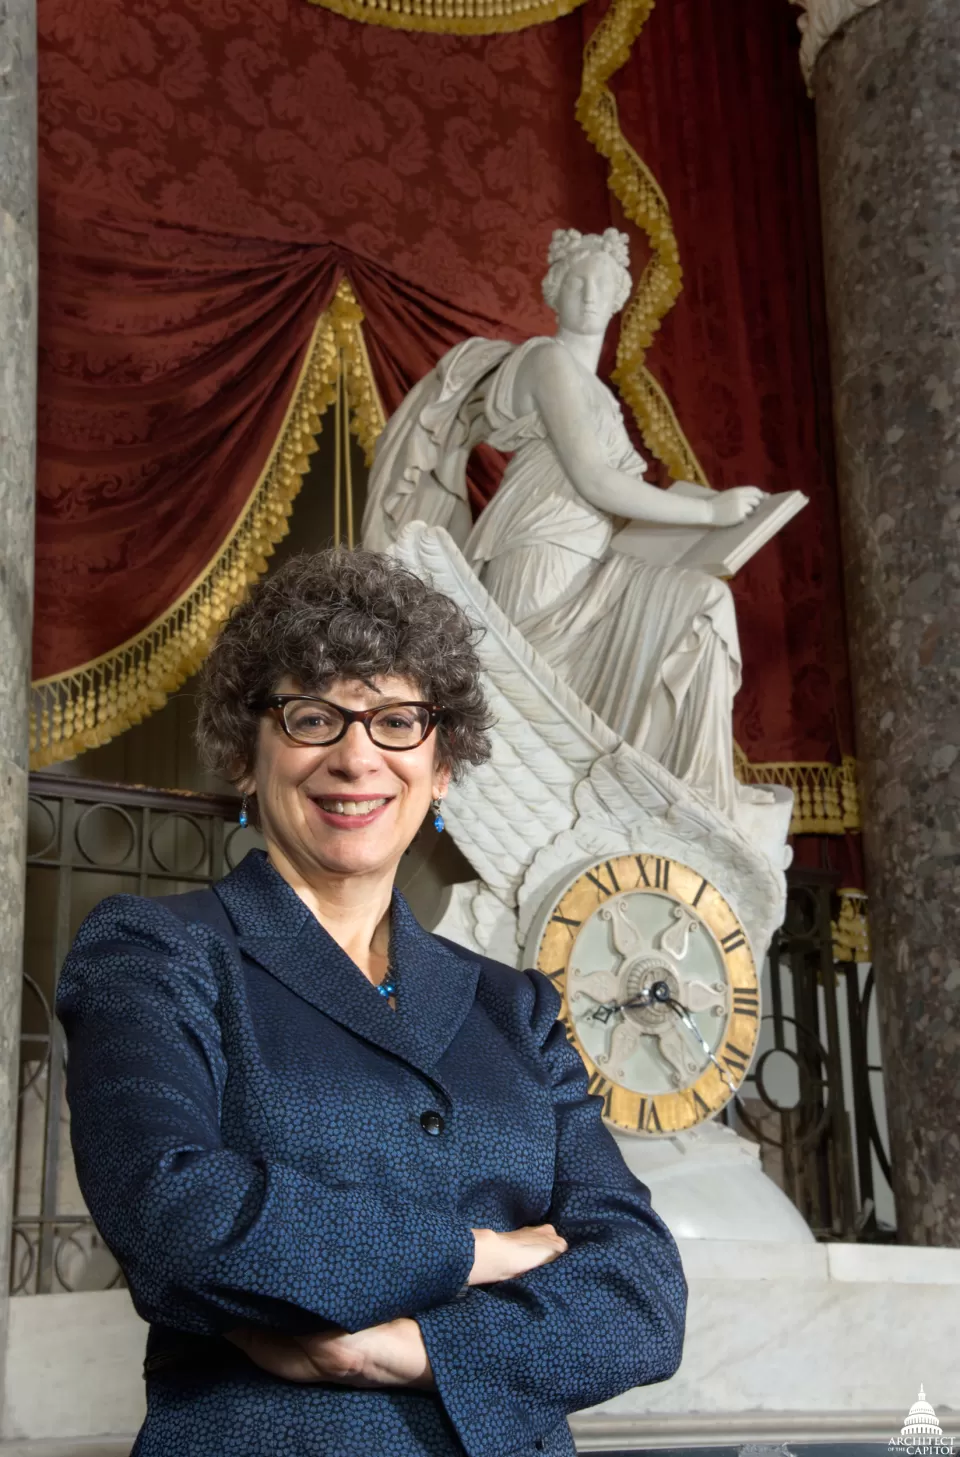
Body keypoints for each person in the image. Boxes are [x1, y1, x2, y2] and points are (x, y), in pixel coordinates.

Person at [56, 549, 687, 1457]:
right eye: (314, 716)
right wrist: (479, 1251)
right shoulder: (158, 953)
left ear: (441, 769)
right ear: (246, 751)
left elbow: (643, 1296)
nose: (357, 757)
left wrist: (403, 1350)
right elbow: (177, 1220)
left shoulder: (513, 1006)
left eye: (397, 721)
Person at [362, 228, 766, 817]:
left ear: (619, 298)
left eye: (601, 284)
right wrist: (709, 512)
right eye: (576, 281)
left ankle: (684, 792)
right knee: (535, 708)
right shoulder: (547, 360)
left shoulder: (602, 394)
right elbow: (594, 478)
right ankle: (606, 802)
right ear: (554, 289)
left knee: (703, 606)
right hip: (541, 551)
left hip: (594, 560)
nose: (588, 294)